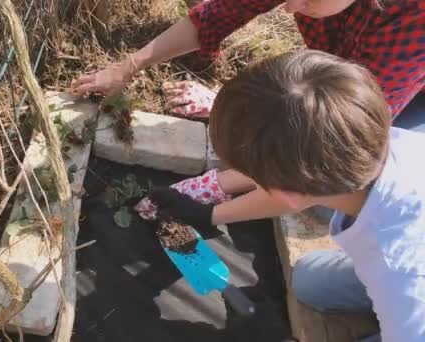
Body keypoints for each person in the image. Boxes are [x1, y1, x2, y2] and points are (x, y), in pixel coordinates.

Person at [142, 49, 425, 342]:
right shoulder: (365, 141)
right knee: (308, 282)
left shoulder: (403, 279)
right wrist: (208, 214)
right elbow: (295, 189)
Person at [71, 0, 424, 130]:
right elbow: (217, 15)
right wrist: (127, 66)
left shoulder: (412, 22)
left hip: (404, 98)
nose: (287, 9)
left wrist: (229, 108)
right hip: (347, 70)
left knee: (326, 192)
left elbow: (350, 118)